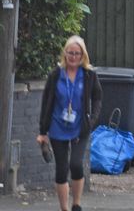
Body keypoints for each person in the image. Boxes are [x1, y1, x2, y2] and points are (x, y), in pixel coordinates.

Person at [38, 36, 102, 211]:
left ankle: (77, 204)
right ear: (64, 54)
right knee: (61, 169)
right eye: (70, 53)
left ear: (83, 56)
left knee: (75, 164)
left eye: (77, 53)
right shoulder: (55, 75)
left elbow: (97, 97)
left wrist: (92, 120)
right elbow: (46, 103)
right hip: (58, 127)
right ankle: (64, 208)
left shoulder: (89, 75)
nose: (73, 56)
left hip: (80, 127)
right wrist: (42, 131)